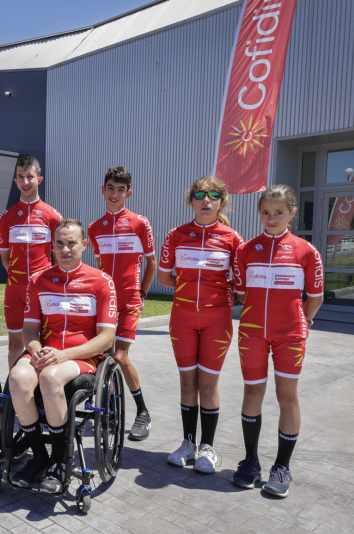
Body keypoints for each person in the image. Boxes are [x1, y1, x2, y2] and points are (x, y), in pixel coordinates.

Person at [9, 219, 116, 492]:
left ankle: (59, 460)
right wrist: (37, 350)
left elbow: (106, 337)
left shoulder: (101, 281)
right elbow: (30, 329)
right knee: (18, 377)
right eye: (60, 243)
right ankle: (39, 457)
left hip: (82, 357)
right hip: (46, 352)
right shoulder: (39, 280)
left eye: (72, 243)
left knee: (51, 376)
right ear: (52, 246)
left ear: (84, 245)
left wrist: (63, 355)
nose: (65, 249)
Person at [231, 184, 323, 498]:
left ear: (292, 214)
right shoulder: (246, 250)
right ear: (259, 213)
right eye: (266, 212)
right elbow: (242, 294)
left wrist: (302, 321)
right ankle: (251, 461)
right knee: (253, 391)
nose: (271, 218)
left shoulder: (306, 250)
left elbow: (315, 296)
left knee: (287, 396)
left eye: (279, 213)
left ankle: (282, 467)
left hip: (290, 336)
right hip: (253, 332)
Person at [158, 175, 243, 473]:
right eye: (200, 194)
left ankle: (208, 448)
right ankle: (187, 443)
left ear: (222, 201)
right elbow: (165, 277)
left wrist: (222, 292)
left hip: (217, 319)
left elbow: (240, 281)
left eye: (214, 194)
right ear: (191, 200)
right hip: (182, 317)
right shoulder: (176, 234)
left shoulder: (233, 239)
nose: (206, 199)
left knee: (208, 385)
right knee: (186, 382)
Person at [87, 166, 157, 441]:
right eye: (110, 188)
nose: (115, 194)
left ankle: (142, 412)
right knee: (104, 357)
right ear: (103, 190)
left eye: (121, 190)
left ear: (129, 193)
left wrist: (142, 292)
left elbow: (151, 263)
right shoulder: (94, 228)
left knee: (120, 356)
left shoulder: (141, 223)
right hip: (104, 302)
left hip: (129, 299)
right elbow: (100, 266)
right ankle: (112, 410)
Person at [0, 156, 62, 369]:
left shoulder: (53, 216)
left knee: (42, 345)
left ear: (39, 179)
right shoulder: (5, 218)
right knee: (15, 345)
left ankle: (41, 390)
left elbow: (57, 259)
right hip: (14, 290)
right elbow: (5, 260)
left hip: (42, 290)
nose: (25, 182)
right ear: (15, 181)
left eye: (30, 177)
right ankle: (15, 396)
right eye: (21, 177)